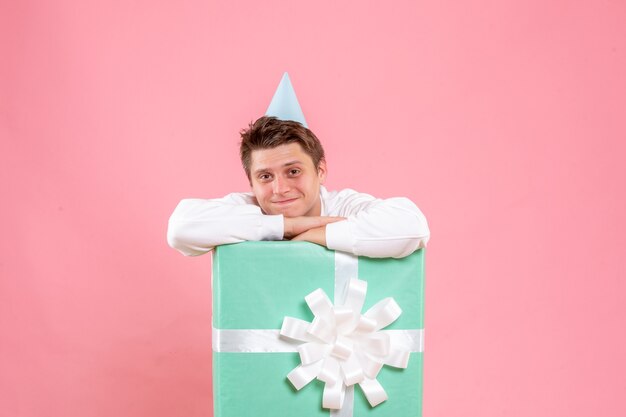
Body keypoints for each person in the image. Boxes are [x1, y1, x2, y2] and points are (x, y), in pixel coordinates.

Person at [167, 74, 430, 259]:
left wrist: (315, 234)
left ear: (321, 170)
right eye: (265, 176)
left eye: (293, 171)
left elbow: (412, 226)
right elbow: (181, 227)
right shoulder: (246, 208)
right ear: (251, 183)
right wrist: (287, 227)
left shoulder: (344, 207)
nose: (279, 189)